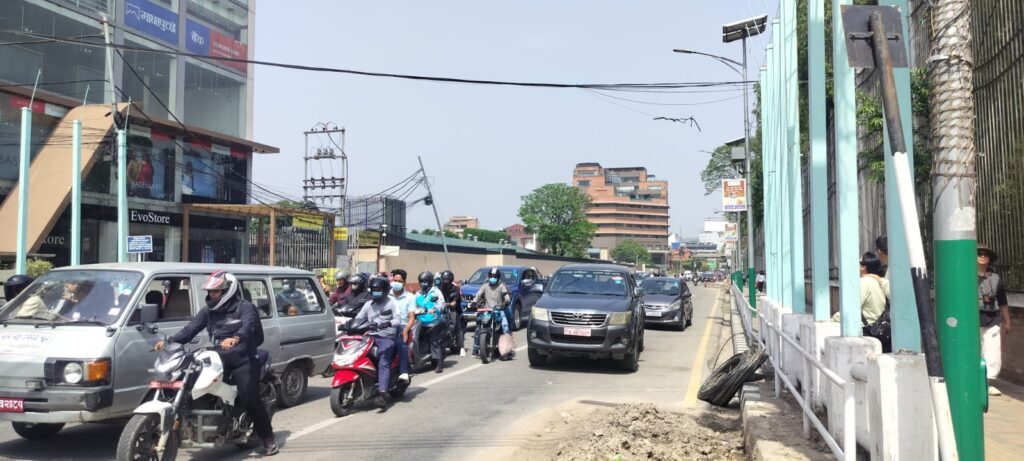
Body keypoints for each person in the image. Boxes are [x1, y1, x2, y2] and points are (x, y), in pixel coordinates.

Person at [155, 271, 277, 456]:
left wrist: (236, 338)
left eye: (216, 291)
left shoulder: (245, 307)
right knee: (193, 383)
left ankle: (267, 438)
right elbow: (190, 330)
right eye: (210, 292)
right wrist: (170, 342)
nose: (212, 295)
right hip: (219, 356)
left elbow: (248, 326)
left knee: (249, 398)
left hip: (244, 358)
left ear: (228, 290)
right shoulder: (208, 311)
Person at [353, 276, 399, 408]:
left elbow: (398, 320)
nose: (375, 292)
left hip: (386, 337)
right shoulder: (368, 304)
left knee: (383, 360)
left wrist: (388, 323)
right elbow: (358, 318)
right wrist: (348, 324)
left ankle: (382, 394)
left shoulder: (391, 303)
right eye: (373, 290)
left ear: (385, 290)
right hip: (370, 336)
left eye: (378, 290)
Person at [977, 244, 1012, 396]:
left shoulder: (995, 278)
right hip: (972, 318)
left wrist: (1007, 321)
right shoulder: (965, 275)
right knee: (974, 350)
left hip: (992, 318)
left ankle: (987, 383)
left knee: (992, 351)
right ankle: (973, 381)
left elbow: (1002, 301)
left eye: (985, 254)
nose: (982, 256)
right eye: (979, 253)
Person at [406, 271, 448, 373]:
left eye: (425, 282)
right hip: (419, 320)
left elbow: (442, 304)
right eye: (421, 282)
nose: (423, 284)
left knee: (434, 340)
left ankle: (439, 364)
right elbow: (412, 305)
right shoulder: (418, 294)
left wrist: (435, 308)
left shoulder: (436, 292)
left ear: (430, 282)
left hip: (433, 319)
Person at [472, 267, 511, 357]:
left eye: (494, 276)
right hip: (487, 310)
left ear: (498, 277)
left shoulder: (501, 286)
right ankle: (476, 348)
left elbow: (506, 296)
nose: (492, 278)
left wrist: (506, 301)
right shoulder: (485, 286)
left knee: (505, 327)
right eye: (491, 276)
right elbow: (478, 294)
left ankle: (507, 351)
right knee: (478, 327)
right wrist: (474, 301)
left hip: (499, 310)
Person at [390, 269, 415, 382]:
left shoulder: (410, 297)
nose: (396, 283)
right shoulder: (386, 295)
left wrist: (405, 330)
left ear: (404, 282)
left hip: (402, 326)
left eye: (399, 281)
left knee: (401, 342)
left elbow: (411, 317)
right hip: (386, 326)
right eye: (395, 280)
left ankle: (404, 371)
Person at [436, 270, 464, 355]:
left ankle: (460, 345)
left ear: (451, 279)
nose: (446, 281)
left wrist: (451, 303)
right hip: (441, 308)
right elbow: (436, 297)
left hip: (452, 309)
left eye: (447, 279)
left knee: (455, 324)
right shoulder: (439, 288)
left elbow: (454, 301)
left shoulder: (455, 288)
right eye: (444, 279)